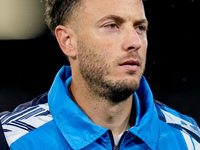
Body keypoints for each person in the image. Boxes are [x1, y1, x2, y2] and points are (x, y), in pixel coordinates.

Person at [0, 0, 200, 149]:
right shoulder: (11, 139)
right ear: (68, 40)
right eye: (112, 25)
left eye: (140, 27)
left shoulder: (188, 138)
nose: (135, 42)